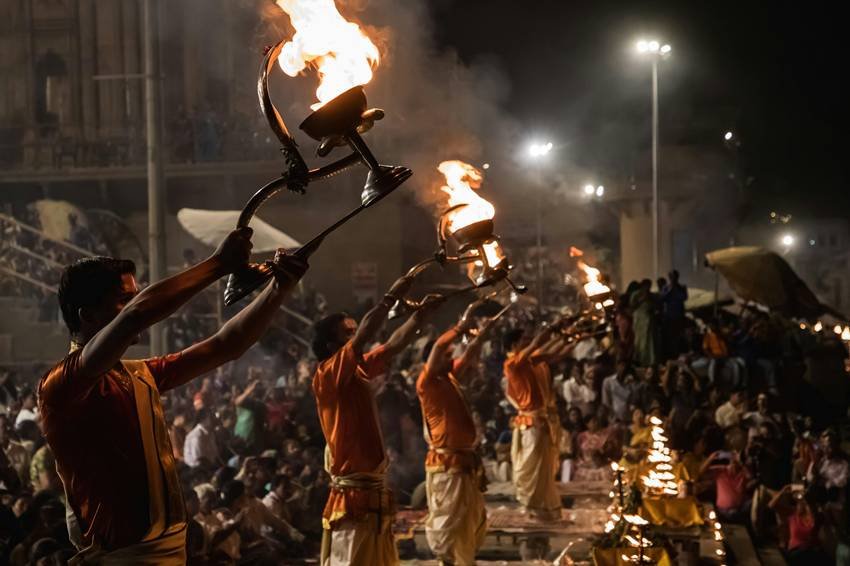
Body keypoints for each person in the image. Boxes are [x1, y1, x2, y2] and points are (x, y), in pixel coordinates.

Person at [38, 228, 307, 563]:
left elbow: (227, 345)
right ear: (88, 316)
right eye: (125, 299)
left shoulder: (140, 374)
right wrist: (217, 265)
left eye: (135, 297)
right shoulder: (61, 385)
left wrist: (279, 288)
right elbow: (137, 315)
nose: (136, 306)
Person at [310, 273, 441, 566]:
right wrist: (393, 292)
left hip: (372, 488)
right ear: (332, 346)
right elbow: (368, 332)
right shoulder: (328, 375)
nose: (356, 336)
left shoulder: (359, 369)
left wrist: (420, 316)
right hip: (354, 493)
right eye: (348, 333)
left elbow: (394, 344)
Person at [416, 301, 494, 566]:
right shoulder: (426, 382)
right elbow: (439, 347)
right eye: (448, 355)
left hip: (463, 463)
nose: (451, 358)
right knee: (450, 521)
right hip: (447, 466)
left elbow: (470, 353)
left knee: (469, 518)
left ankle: (464, 562)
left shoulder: (448, 377)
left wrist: (484, 332)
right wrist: (465, 319)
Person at [503, 324, 568, 519]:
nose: (529, 343)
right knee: (532, 467)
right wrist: (552, 331)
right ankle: (532, 507)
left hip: (541, 420)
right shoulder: (512, 364)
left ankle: (543, 509)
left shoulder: (530, 361)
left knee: (544, 468)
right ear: (515, 345)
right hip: (531, 422)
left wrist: (568, 336)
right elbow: (538, 345)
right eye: (525, 340)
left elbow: (552, 354)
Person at [769, 485, 830, 566]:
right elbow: (772, 505)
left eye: (808, 502)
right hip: (796, 552)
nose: (805, 504)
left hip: (813, 552)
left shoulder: (818, 517)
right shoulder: (793, 514)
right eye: (804, 502)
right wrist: (783, 491)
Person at [600, 359, 635, 424]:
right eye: (621, 366)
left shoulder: (631, 382)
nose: (623, 368)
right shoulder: (608, 381)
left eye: (625, 366)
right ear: (616, 367)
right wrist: (612, 416)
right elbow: (605, 402)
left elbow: (633, 400)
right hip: (614, 420)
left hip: (629, 419)